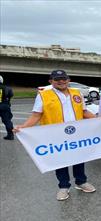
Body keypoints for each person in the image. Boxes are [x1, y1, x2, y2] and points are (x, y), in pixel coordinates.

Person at [13, 70, 96, 201]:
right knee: (60, 160)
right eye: (57, 79)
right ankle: (63, 187)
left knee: (79, 157)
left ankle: (81, 182)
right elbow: (37, 115)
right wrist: (23, 127)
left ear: (68, 80)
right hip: (56, 135)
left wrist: (100, 119)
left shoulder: (77, 93)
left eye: (64, 78)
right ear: (51, 81)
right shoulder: (43, 95)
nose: (61, 81)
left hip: (76, 133)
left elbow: (84, 111)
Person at [0, 75, 14, 140]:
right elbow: (11, 95)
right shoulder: (7, 88)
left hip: (3, 105)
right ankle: (10, 135)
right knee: (7, 120)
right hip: (4, 106)